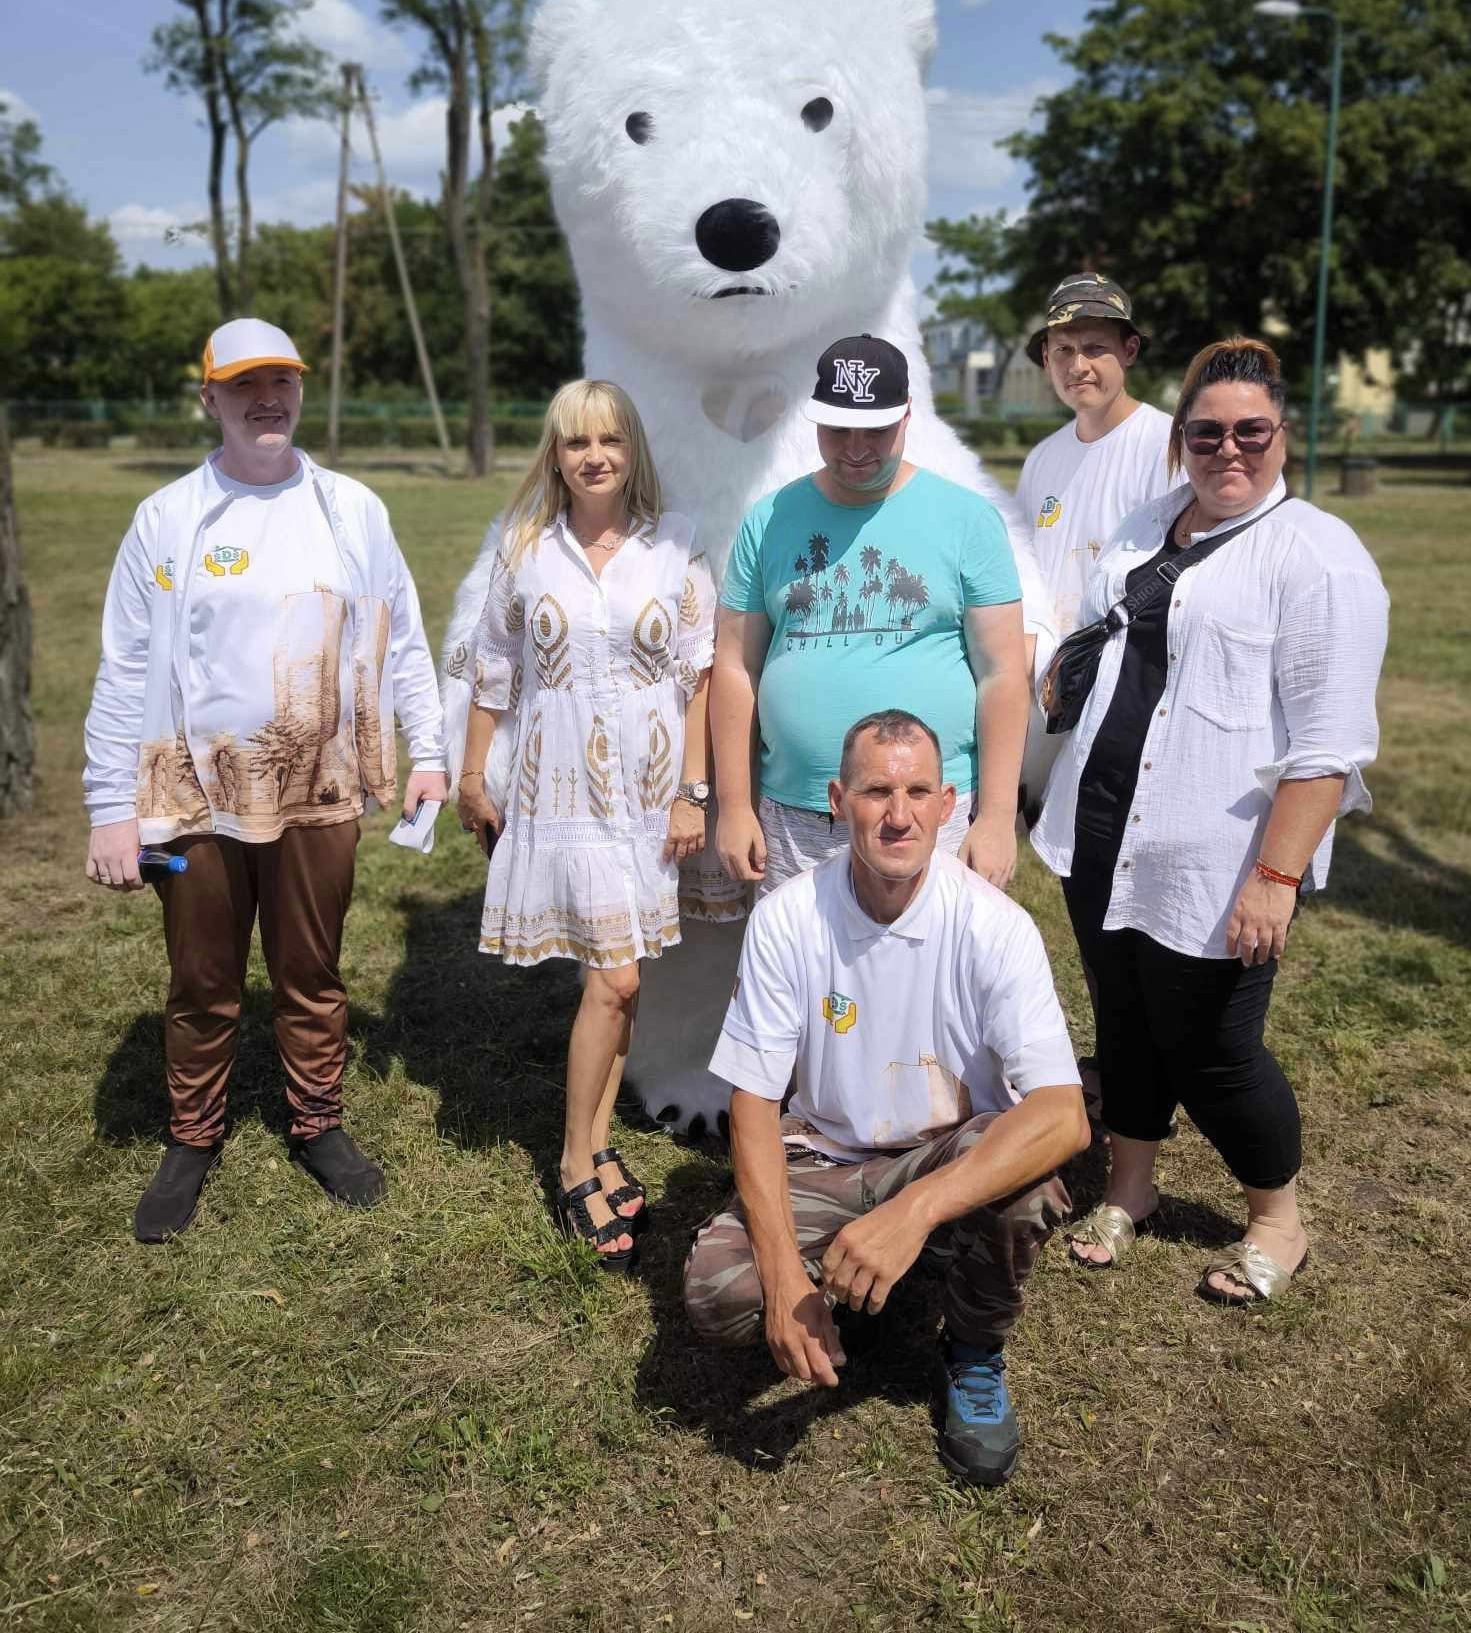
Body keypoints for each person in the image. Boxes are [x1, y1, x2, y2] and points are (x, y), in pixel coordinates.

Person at [1032, 338, 1389, 1304]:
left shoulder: (1318, 554)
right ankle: (1132, 1187)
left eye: (1250, 432)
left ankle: (1279, 1218)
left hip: (1219, 856)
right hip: (1099, 831)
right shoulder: (1152, 523)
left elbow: (1328, 746)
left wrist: (1275, 879)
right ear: (1180, 439)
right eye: (1206, 433)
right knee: (1126, 1020)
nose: (1227, 450)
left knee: (1212, 1048)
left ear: (1283, 436)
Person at [83, 319, 447, 1242]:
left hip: (319, 789)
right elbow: (126, 667)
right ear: (209, 398)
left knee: (311, 971)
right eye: (242, 385)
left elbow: (400, 635)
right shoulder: (169, 515)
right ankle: (193, 1134)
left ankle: (316, 1121)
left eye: (279, 381)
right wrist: (108, 809)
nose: (265, 399)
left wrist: (431, 750)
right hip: (192, 793)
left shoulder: (350, 508)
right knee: (202, 979)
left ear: (297, 389)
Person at [684, 709, 1087, 1487]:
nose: (898, 815)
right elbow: (753, 1105)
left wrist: (913, 1212)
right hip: (827, 1156)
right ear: (838, 800)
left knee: (1026, 1175)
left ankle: (973, 1350)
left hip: (943, 1151)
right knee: (718, 1290)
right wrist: (779, 1275)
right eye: (875, 791)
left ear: (949, 804)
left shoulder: (995, 927)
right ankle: (838, 1291)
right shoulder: (785, 918)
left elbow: (1063, 1114)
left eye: (917, 791)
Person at [456, 381, 716, 1272]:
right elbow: (493, 665)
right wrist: (469, 773)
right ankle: (573, 1161)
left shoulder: (675, 548)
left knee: (629, 983)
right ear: (555, 455)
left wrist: (695, 791)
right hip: (562, 788)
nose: (594, 456)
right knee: (613, 979)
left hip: (647, 799)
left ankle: (600, 1140)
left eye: (609, 439)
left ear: (632, 448)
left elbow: (698, 680)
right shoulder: (525, 550)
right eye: (576, 443)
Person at [712, 334, 1041, 899]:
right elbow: (737, 667)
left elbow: (1003, 673)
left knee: (932, 977)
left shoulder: (966, 519)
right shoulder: (767, 520)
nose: (856, 447)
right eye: (838, 429)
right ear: (813, 419)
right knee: (808, 979)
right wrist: (736, 806)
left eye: (876, 430)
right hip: (798, 816)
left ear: (908, 416)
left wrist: (995, 817)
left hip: (928, 815)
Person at [1015, 271, 1175, 1114]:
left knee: (1134, 902)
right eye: (1065, 349)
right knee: (1087, 897)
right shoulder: (1044, 459)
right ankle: (1123, 1059)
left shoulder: (1164, 447)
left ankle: (1148, 1068)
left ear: (1131, 352)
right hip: (1057, 717)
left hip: (1135, 710)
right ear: (1047, 358)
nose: (1081, 364)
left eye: (1098, 348)